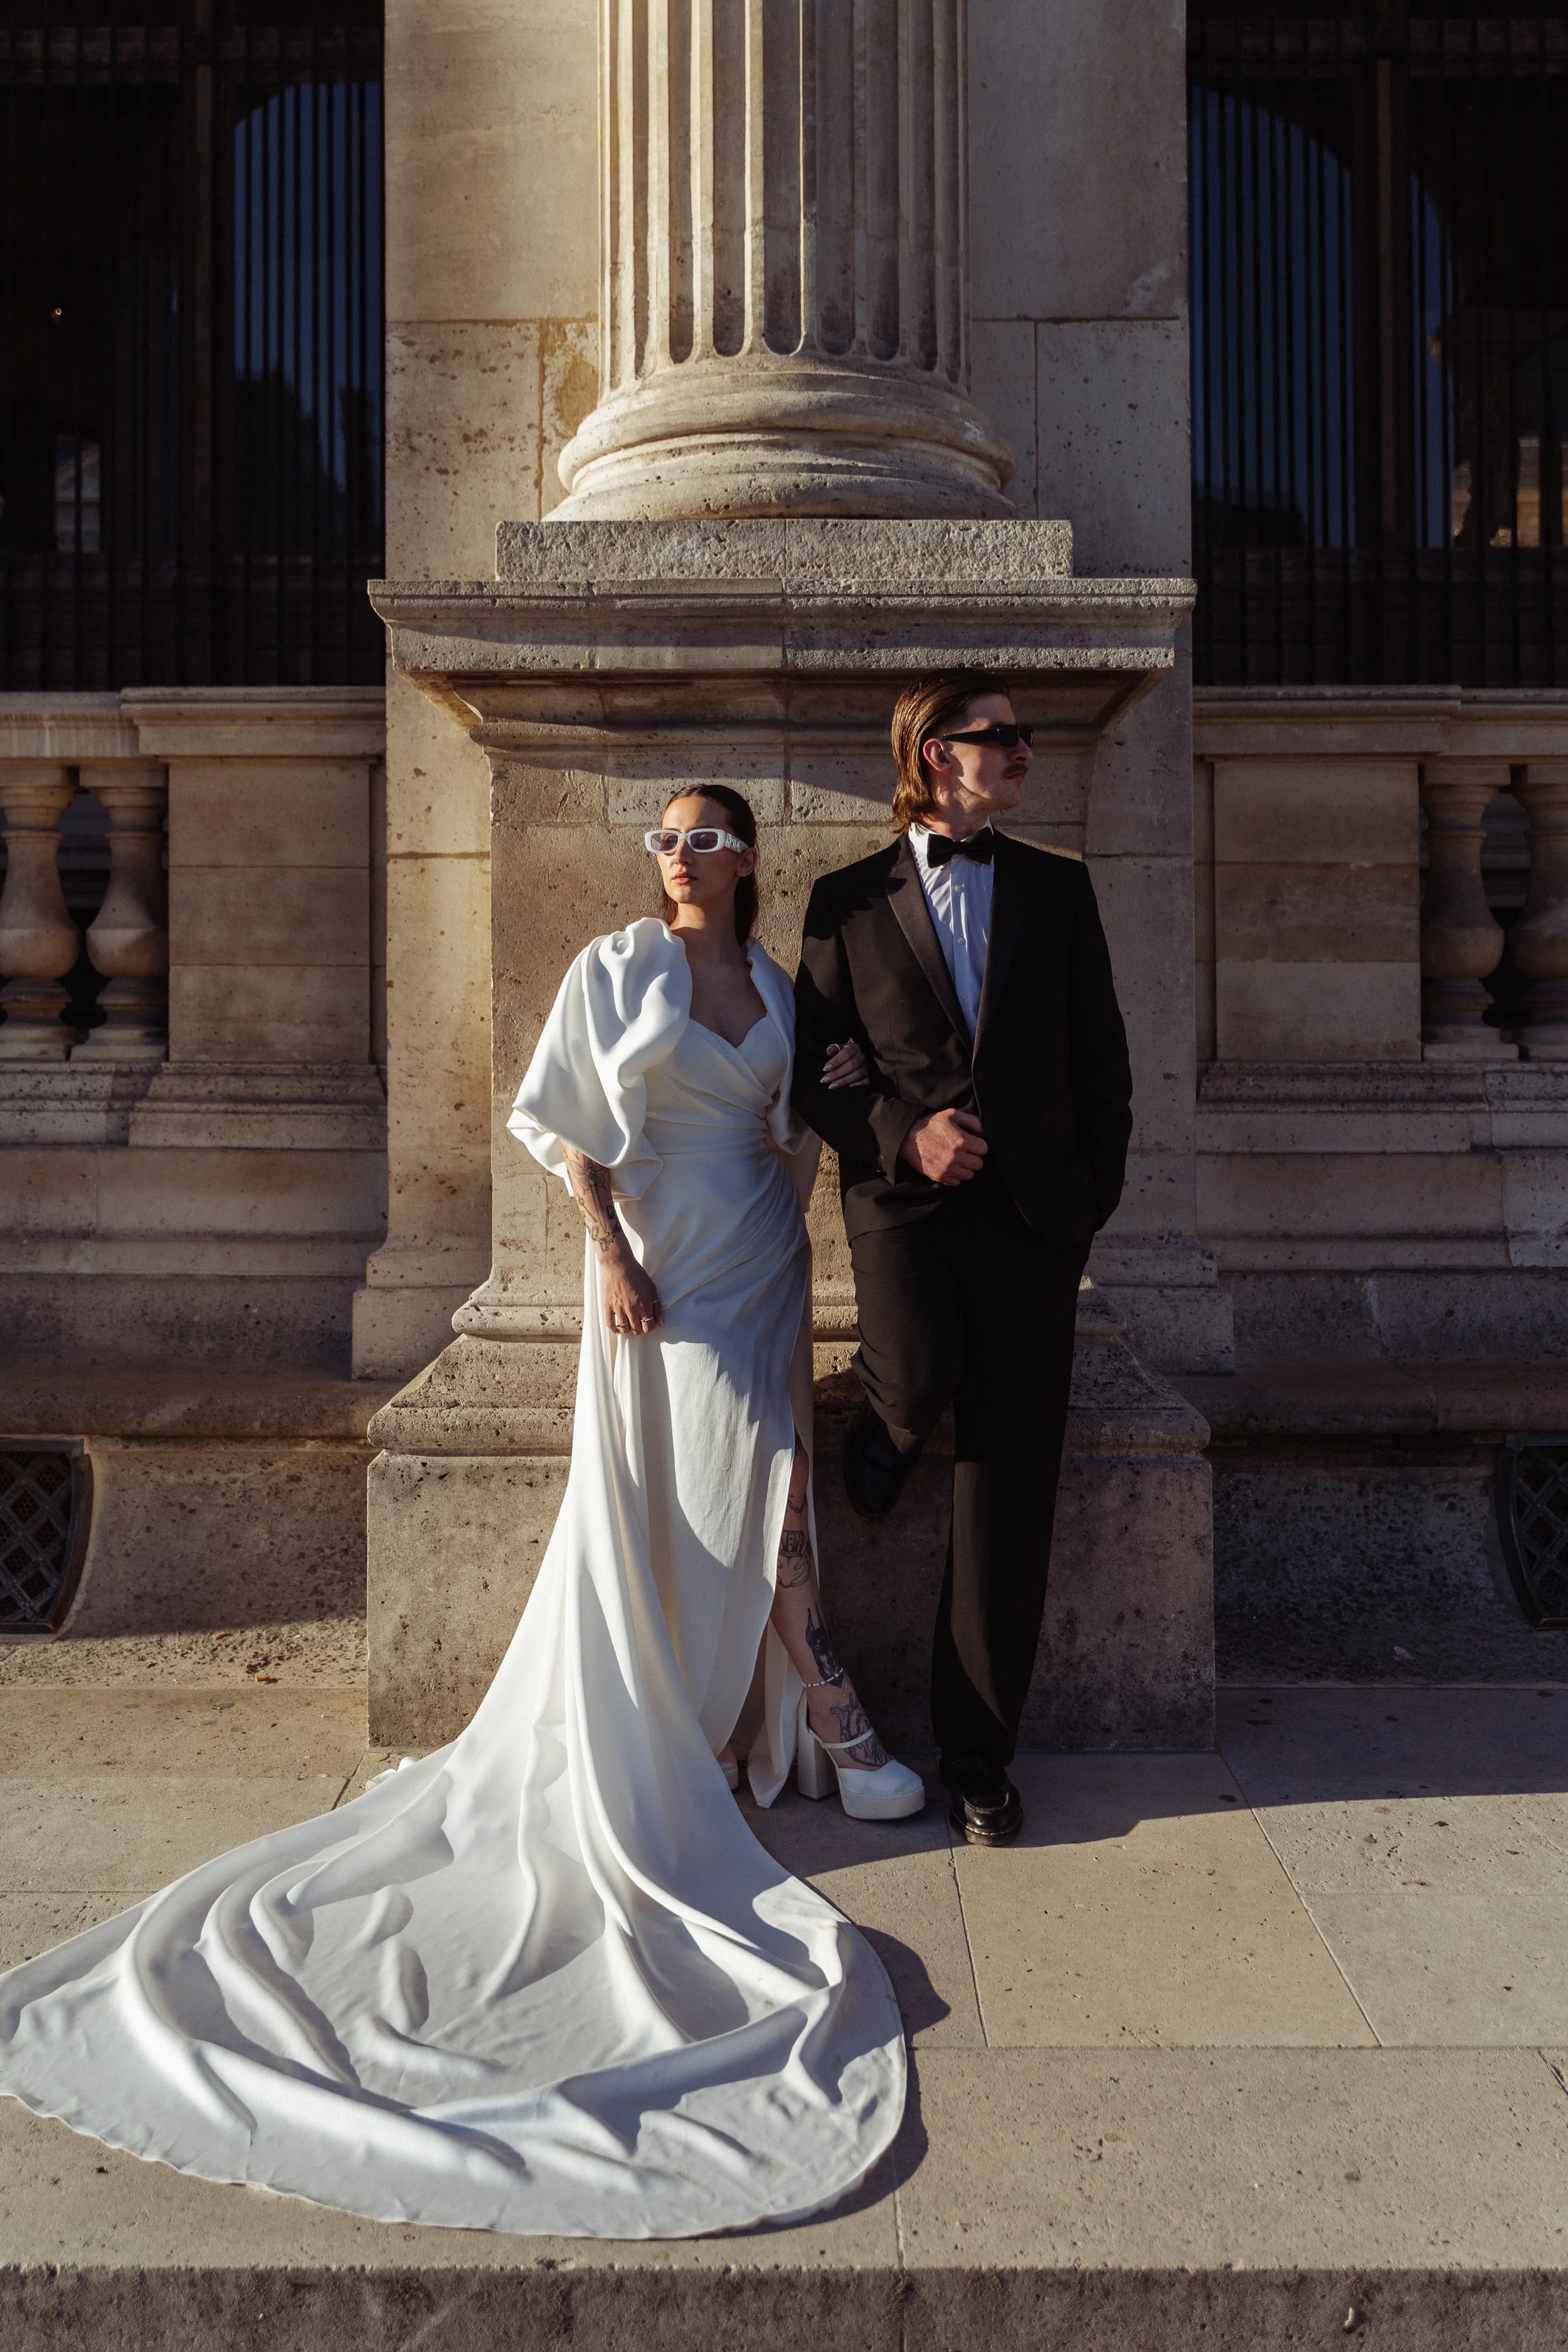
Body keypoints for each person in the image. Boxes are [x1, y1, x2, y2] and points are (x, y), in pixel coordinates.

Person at [0, 787, 921, 2241]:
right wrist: (607, 1256)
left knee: (774, 1478)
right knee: (699, 1492)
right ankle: (818, 1703)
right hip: (657, 1265)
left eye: (700, 838)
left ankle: (803, 1696)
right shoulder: (618, 967)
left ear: (749, 859)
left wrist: (847, 1081)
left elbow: (807, 1114)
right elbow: (567, 1131)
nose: (674, 856)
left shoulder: (777, 985)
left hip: (752, 1251)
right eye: (661, 839)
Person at [792, 672, 1133, 1849]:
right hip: (904, 1212)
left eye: (1025, 737)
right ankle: (885, 1430)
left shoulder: (1059, 888)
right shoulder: (844, 901)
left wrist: (1087, 1201)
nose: (1024, 753)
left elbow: (1104, 1061)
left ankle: (979, 1758)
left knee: (1009, 1491)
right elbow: (815, 1070)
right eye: (1003, 738)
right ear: (938, 754)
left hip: (1039, 1225)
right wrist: (901, 1127)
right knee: (919, 1373)